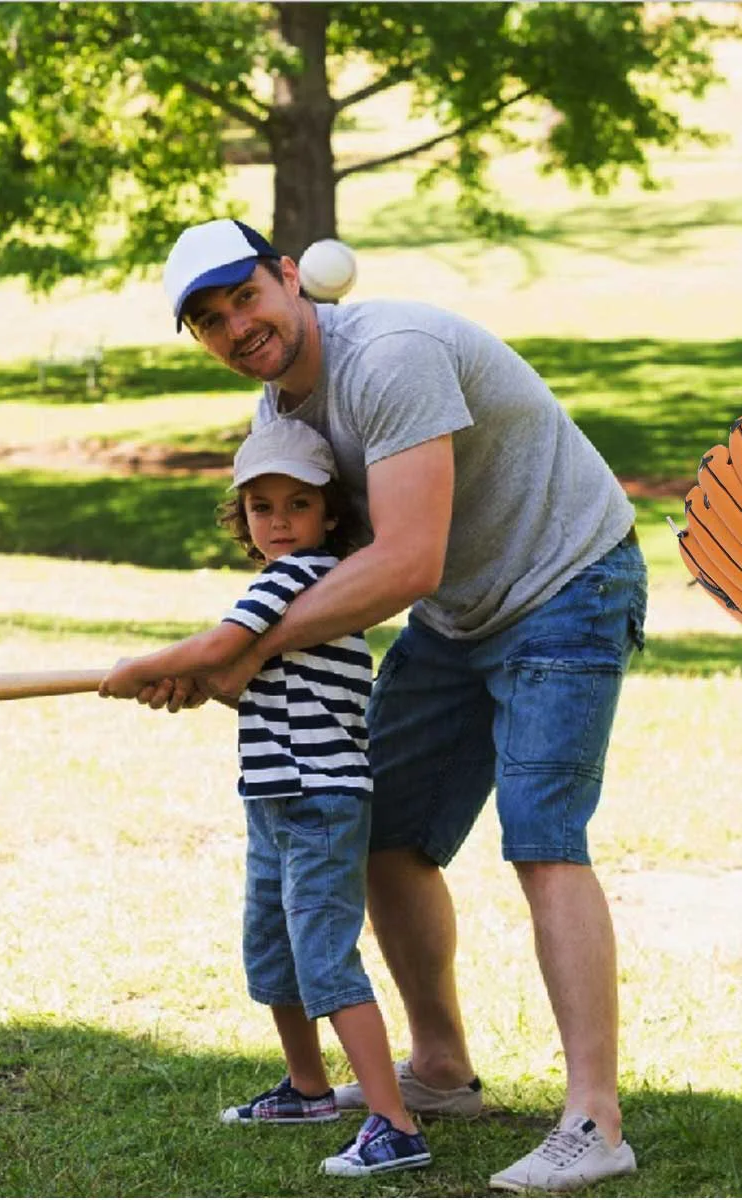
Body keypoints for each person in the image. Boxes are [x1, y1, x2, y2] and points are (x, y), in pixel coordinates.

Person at [152, 216, 647, 1192]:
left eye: (246, 297)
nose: (237, 327)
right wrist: (225, 657)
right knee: (382, 832)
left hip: (568, 584)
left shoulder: (392, 355)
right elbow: (320, 570)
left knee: (543, 839)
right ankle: (442, 1069)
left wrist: (239, 647)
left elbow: (407, 560)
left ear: (287, 277)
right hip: (460, 616)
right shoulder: (278, 412)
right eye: (210, 320)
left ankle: (595, 1119)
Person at [100, 416, 432, 1179]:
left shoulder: (302, 578)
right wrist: (190, 686)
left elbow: (221, 648)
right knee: (274, 946)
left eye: (298, 504)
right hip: (276, 797)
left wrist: (136, 668)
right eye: (261, 507)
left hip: (319, 800)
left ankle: (395, 1123)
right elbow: (245, 682)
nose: (279, 522)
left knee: (324, 957)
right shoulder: (291, 590)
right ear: (242, 516)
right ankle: (308, 1089)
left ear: (330, 514)